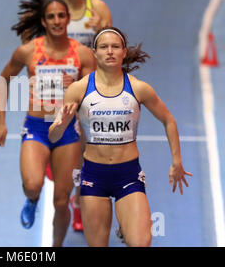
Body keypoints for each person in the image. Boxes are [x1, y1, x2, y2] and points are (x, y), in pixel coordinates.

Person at [48, 27, 192, 246]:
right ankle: (122, 225)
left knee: (141, 242)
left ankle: (127, 225)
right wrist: (62, 124)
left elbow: (168, 120)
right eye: (104, 47)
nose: (110, 51)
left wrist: (177, 161)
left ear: (124, 52)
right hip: (93, 176)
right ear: (94, 53)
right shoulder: (78, 89)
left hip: (128, 175)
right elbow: (53, 135)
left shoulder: (138, 88)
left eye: (115, 47)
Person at [0, 0, 95, 246]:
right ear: (43, 21)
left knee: (62, 201)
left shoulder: (82, 55)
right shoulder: (28, 51)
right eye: (51, 17)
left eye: (61, 16)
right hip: (36, 128)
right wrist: (1, 122)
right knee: (32, 183)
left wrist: (74, 89)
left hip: (68, 132)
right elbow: (3, 80)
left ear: (68, 19)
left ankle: (55, 246)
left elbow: (94, 94)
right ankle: (32, 199)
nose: (57, 21)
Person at [58, 0, 113, 232]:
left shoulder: (99, 9)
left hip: (89, 88)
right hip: (55, 88)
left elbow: (111, 51)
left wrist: (100, 30)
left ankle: (78, 202)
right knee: (58, 144)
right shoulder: (54, 10)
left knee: (85, 148)